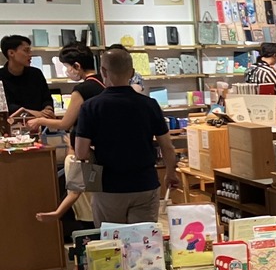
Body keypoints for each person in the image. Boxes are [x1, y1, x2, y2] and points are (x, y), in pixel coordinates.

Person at [74, 47, 178, 226]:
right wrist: (170, 173)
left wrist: (93, 154)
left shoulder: (91, 107)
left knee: (112, 239)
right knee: (143, 239)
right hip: (145, 184)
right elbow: (167, 146)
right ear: (132, 72)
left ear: (103, 71)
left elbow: (80, 152)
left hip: (108, 186)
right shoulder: (149, 104)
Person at [25, 44, 104, 144]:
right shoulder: (104, 81)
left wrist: (39, 121)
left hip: (88, 143)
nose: (66, 71)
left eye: (66, 67)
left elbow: (65, 124)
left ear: (77, 66)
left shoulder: (82, 89)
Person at [1, 34, 53, 123]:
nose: (30, 55)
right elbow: (5, 106)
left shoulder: (36, 73)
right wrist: (35, 114)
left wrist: (48, 110)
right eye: (26, 51)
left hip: (40, 124)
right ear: (11, 53)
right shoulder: (1, 76)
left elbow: (47, 98)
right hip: (12, 125)